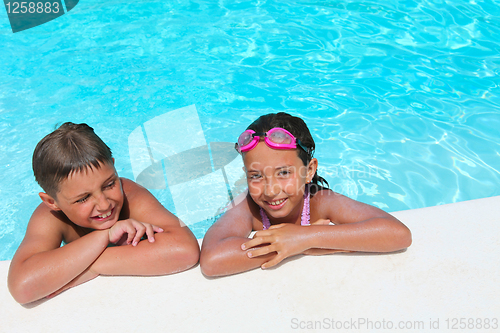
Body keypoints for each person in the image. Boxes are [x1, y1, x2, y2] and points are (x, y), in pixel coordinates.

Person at [8, 122, 200, 304]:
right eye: (83, 198)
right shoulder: (50, 218)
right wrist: (105, 236)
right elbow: (22, 287)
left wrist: (88, 266)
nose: (103, 204)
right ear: (52, 202)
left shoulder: (130, 195)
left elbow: (184, 250)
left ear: (114, 168)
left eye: (109, 184)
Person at [200, 112, 411, 277]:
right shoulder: (248, 207)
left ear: (309, 171)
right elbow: (212, 258)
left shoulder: (321, 201)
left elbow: (398, 234)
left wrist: (306, 237)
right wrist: (294, 245)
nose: (270, 190)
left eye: (283, 173)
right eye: (256, 176)